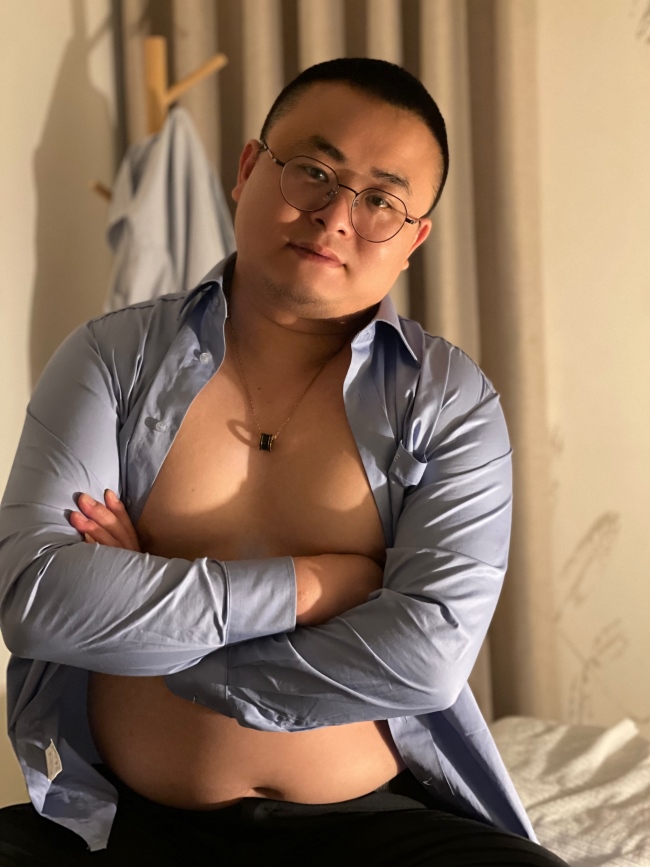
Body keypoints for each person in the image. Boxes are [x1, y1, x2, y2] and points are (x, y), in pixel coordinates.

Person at [0, 58, 568, 866]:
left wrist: (155, 623)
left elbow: (426, 659)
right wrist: (317, 586)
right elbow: (36, 600)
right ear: (247, 169)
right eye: (313, 171)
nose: (335, 216)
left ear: (414, 239)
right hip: (127, 828)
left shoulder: (449, 400)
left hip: (365, 833)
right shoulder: (111, 357)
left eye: (381, 200)